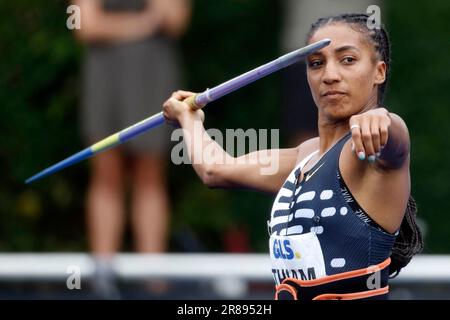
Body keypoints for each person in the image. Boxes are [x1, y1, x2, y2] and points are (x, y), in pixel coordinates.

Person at [162, 13, 423, 300]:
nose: (330, 75)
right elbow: (215, 170)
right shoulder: (305, 156)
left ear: (379, 72)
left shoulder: (373, 150)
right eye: (316, 63)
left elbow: (394, 139)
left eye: (347, 59)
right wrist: (190, 120)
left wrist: (382, 119)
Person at [72, 0, 191, 298]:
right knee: (105, 171)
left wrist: (120, 26)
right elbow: (86, 26)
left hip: (153, 68)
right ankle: (102, 277)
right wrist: (143, 24)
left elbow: (175, 20)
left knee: (150, 174)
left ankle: (153, 280)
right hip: (104, 70)